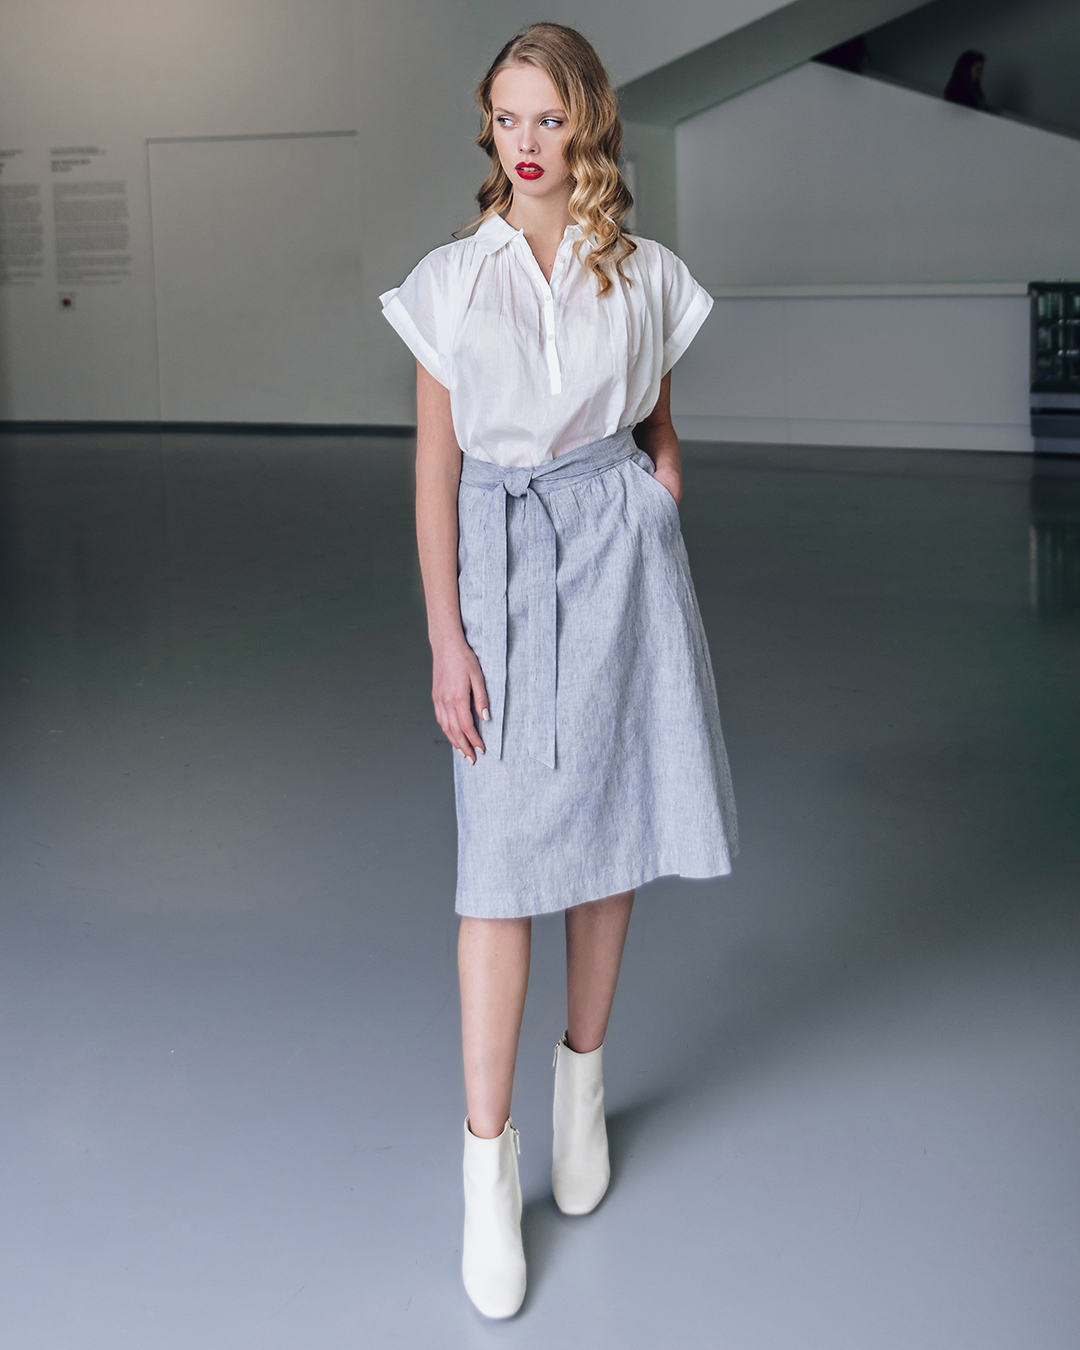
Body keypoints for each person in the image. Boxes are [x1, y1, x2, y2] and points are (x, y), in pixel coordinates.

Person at [380, 22, 737, 1319]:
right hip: (498, 563)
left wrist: (661, 485)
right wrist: (447, 635)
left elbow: (659, 420)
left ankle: (582, 1084)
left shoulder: (642, 271)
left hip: (617, 560)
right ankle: (489, 1169)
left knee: (608, 831)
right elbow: (435, 468)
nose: (526, 143)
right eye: (506, 117)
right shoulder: (449, 282)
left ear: (587, 122)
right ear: (487, 128)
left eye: (548, 117)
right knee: (499, 866)